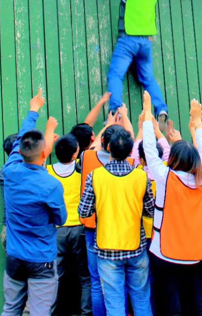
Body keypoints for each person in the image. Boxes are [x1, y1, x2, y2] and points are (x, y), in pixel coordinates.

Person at [143, 93, 202, 316]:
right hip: (196, 252)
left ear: (172, 158)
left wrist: (146, 114)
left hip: (166, 252)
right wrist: (197, 121)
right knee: (197, 300)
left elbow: (150, 151)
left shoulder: (165, 177)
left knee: (171, 304)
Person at [0, 89, 65, 316]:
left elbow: (22, 138)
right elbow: (61, 218)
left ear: (19, 152)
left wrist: (33, 109)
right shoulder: (51, 185)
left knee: (10, 309)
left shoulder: (10, 170)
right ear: (45, 154)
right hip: (41, 259)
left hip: (15, 256)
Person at [79, 125, 155, 316]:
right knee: (141, 299)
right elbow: (149, 211)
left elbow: (84, 211)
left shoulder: (95, 176)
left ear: (108, 148)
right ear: (131, 151)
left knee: (114, 302)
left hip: (107, 248)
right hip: (136, 246)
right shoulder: (141, 176)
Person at [79, 107, 136, 316]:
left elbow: (94, 145)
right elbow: (132, 140)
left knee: (96, 281)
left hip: (93, 227)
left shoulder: (88, 158)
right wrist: (123, 121)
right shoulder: (130, 164)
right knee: (124, 280)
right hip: (121, 228)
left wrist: (109, 125)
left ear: (105, 143)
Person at [105, 0, 169, 130]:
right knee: (148, 79)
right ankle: (161, 109)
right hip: (145, 43)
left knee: (116, 75)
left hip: (127, 40)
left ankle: (116, 111)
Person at [48, 133, 92, 316]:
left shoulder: (48, 171)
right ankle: (86, 312)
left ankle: (50, 311)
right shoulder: (82, 171)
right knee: (85, 277)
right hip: (79, 228)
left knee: (54, 277)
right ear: (75, 155)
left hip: (57, 230)